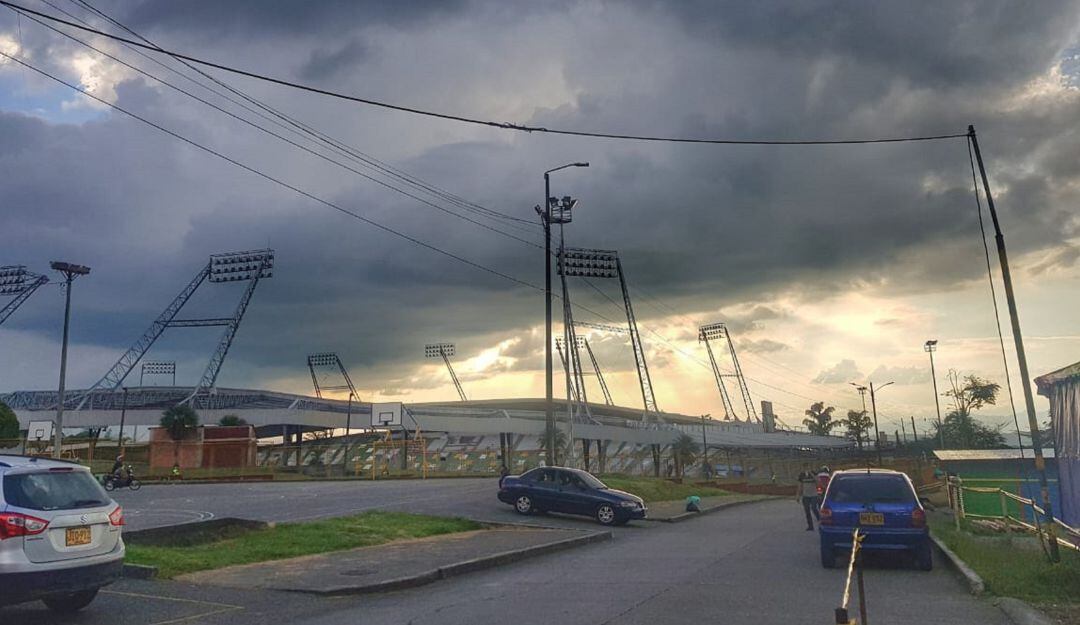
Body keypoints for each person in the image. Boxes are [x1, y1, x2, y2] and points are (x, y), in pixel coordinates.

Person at [796, 464, 820, 531]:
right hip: (806, 495)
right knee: (807, 511)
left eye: (807, 467)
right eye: (805, 468)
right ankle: (810, 526)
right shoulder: (801, 475)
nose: (806, 469)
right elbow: (800, 486)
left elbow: (818, 482)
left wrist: (811, 474)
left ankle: (819, 519)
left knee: (814, 507)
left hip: (814, 495)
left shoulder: (814, 473)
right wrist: (798, 495)